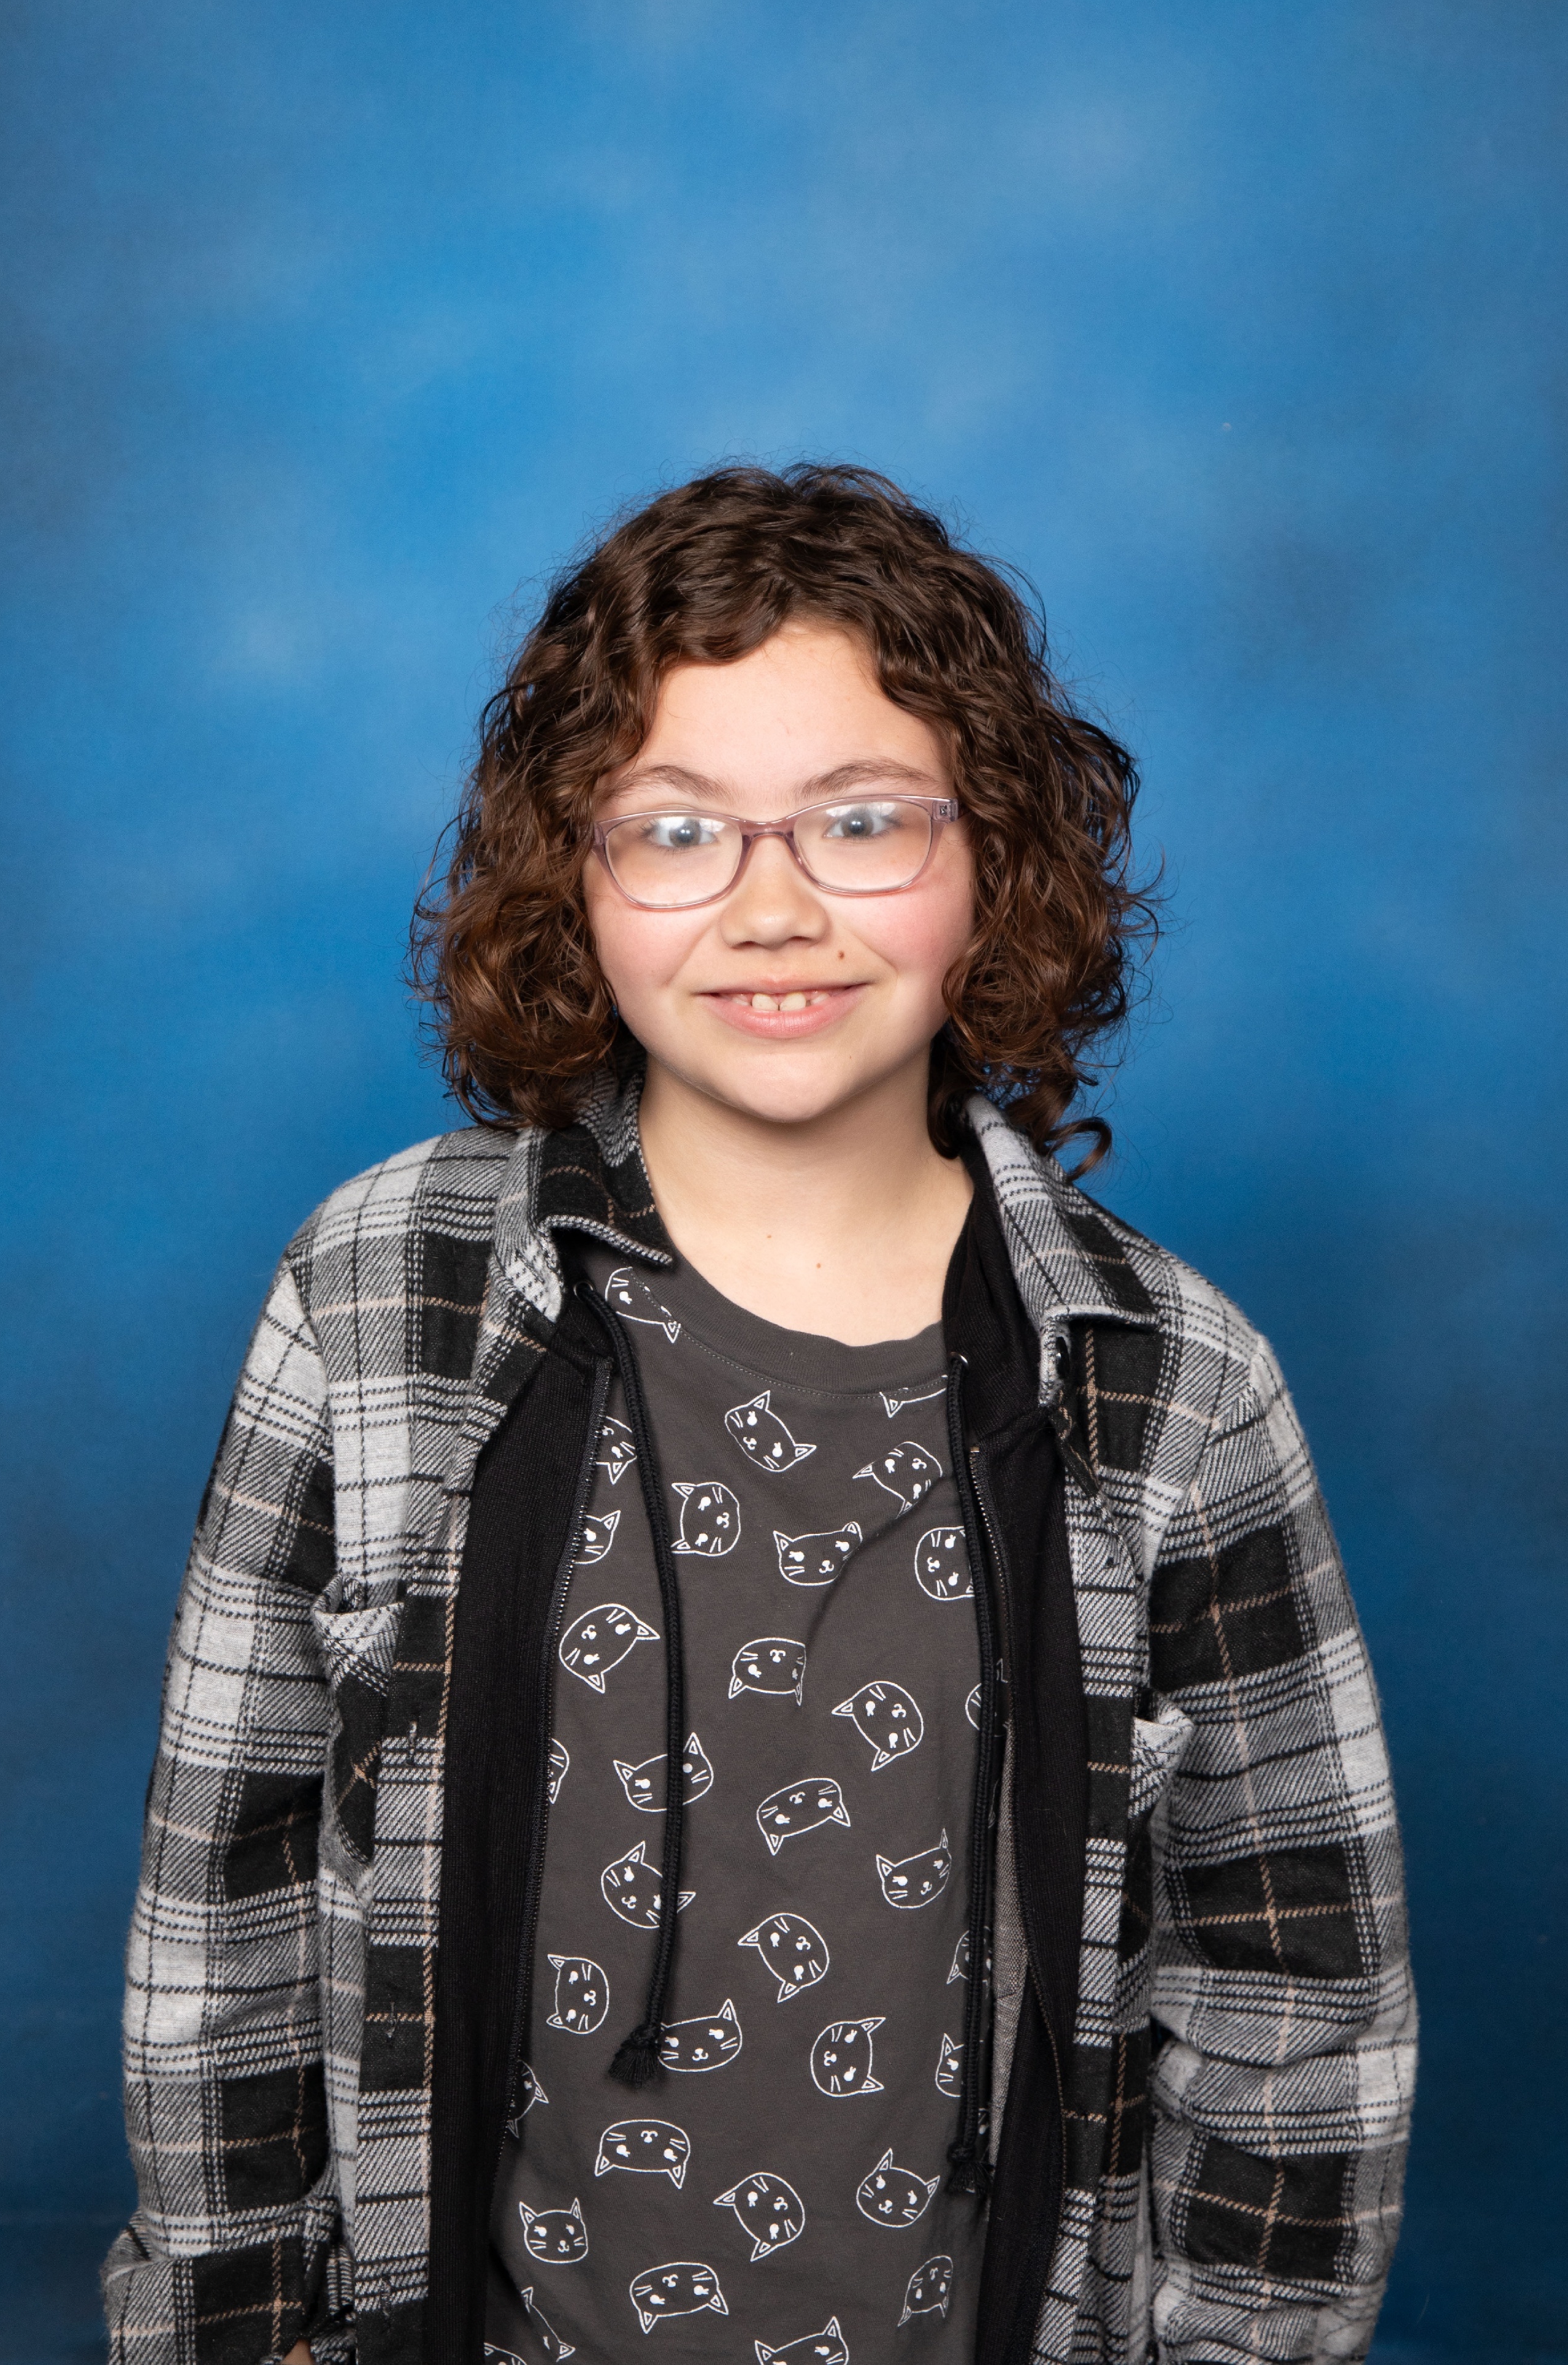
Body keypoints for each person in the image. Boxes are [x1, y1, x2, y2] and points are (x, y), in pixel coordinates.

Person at [103, 466, 1415, 2365]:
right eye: (675, 830)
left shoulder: (1170, 1382)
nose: (773, 909)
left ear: (994, 861)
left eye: (862, 821)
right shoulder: (383, 1294)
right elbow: (218, 1906)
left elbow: (1293, 1993)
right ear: (575, 875)